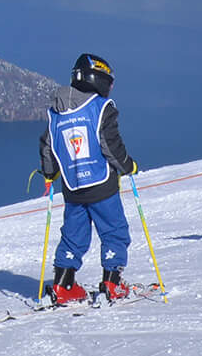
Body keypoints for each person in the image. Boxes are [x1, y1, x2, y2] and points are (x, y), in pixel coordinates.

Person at [39, 54, 138, 304]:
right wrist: (127, 166)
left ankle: (63, 284)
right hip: (101, 184)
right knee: (114, 230)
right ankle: (111, 283)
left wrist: (50, 173)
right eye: (109, 81)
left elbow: (47, 147)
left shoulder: (56, 112)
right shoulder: (100, 108)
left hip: (73, 188)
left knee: (73, 234)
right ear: (98, 80)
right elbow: (110, 145)